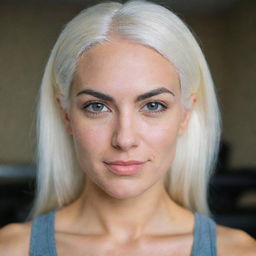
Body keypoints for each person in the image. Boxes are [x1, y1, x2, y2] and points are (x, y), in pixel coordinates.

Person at [0, 1, 255, 255]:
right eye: (97, 106)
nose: (124, 139)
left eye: (153, 105)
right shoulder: (10, 248)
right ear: (66, 115)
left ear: (185, 115)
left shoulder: (240, 251)